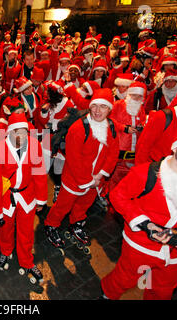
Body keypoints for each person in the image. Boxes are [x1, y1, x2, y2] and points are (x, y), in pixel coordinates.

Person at [100, 119, 177, 300]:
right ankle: (108, 295)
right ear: (175, 147)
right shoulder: (146, 173)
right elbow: (118, 196)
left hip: (176, 253)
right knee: (125, 279)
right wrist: (144, 224)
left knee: (162, 290)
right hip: (141, 247)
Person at [43, 89, 119, 252]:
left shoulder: (110, 127)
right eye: (95, 106)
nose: (98, 111)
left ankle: (76, 222)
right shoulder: (78, 128)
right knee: (63, 205)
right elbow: (73, 159)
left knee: (84, 204)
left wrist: (101, 174)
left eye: (103, 107)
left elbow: (113, 153)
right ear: (90, 107)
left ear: (109, 109)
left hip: (96, 179)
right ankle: (51, 225)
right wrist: (89, 181)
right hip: (75, 179)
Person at [0, 112, 48, 284]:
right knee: (5, 228)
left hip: (28, 196)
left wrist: (41, 199)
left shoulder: (35, 145)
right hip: (6, 197)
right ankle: (5, 251)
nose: (20, 136)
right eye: (16, 132)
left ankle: (26, 260)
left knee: (26, 230)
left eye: (23, 131)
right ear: (9, 132)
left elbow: (39, 175)